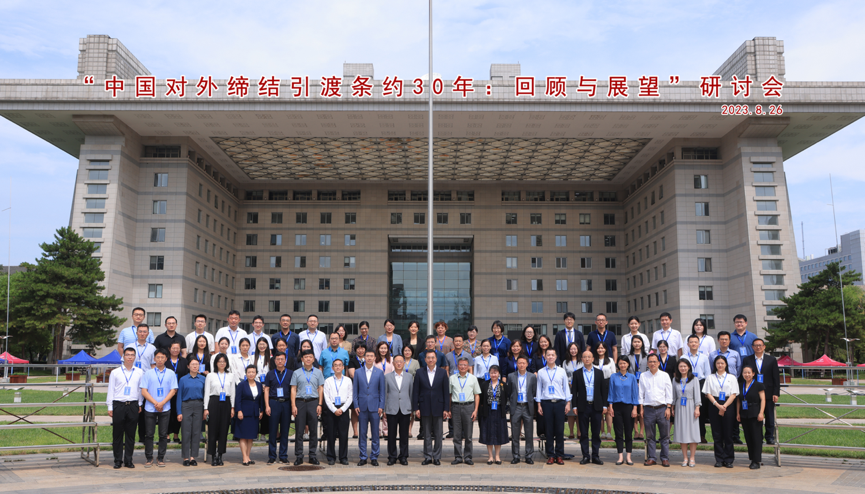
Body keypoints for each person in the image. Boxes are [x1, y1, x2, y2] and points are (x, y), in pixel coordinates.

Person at [107, 347, 145, 469]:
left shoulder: (139, 372)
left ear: (135, 357)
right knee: (117, 434)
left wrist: (140, 403)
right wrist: (110, 406)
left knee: (130, 434)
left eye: (132, 355)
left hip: (133, 405)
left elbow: (140, 389)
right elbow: (111, 390)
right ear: (123, 357)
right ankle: (118, 460)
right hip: (119, 404)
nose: (130, 357)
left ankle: (128, 460)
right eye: (127, 355)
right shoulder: (115, 372)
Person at [140, 350, 178, 468]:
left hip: (165, 408)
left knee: (163, 434)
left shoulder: (171, 373)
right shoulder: (148, 373)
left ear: (166, 359)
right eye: (158, 357)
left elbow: (173, 390)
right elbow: (144, 391)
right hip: (150, 408)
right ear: (154, 359)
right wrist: (156, 403)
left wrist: (162, 403)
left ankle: (160, 457)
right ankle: (149, 457)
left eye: (162, 357)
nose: (160, 359)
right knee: (149, 434)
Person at [413, 350, 450, 465]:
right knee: (427, 434)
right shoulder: (420, 372)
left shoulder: (442, 373)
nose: (430, 359)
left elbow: (446, 392)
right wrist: (416, 408)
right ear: (425, 359)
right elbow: (416, 391)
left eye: (433, 357)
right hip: (424, 406)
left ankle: (437, 456)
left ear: (436, 359)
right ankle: (428, 456)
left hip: (439, 406)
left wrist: (446, 409)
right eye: (428, 357)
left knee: (438, 434)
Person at [571, 349, 608, 465]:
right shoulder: (576, 373)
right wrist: (574, 406)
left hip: (596, 406)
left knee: (596, 432)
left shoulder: (599, 373)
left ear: (593, 359)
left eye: (589, 357)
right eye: (584, 357)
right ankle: (585, 456)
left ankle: (595, 456)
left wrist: (604, 405)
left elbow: (603, 390)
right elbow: (574, 391)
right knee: (584, 433)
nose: (587, 359)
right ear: (581, 359)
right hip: (583, 406)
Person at [702, 355, 739, 468]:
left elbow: (734, 394)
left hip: (728, 405)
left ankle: (728, 459)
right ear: (715, 364)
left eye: (722, 363)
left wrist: (724, 407)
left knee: (728, 434)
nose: (720, 365)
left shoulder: (732, 377)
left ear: (726, 364)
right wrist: (718, 406)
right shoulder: (710, 377)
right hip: (714, 404)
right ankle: (719, 459)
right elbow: (708, 393)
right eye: (718, 363)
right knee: (717, 434)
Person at [536, 348, 571, 465]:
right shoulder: (541, 372)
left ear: (556, 357)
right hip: (546, 403)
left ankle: (559, 455)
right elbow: (538, 389)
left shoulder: (561, 371)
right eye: (548, 355)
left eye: (552, 355)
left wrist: (568, 403)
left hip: (560, 402)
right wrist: (539, 404)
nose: (550, 357)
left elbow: (566, 387)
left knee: (560, 430)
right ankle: (550, 455)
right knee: (549, 430)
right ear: (545, 357)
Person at [742, 338, 780, 445]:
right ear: (752, 347)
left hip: (768, 392)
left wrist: (776, 393)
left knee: (769, 416)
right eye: (756, 345)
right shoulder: (747, 360)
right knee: (755, 416)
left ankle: (769, 436)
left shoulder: (771, 359)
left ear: (764, 347)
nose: (758, 347)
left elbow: (776, 377)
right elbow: (744, 376)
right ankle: (758, 437)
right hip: (753, 393)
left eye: (760, 345)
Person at [291, 349, 325, 465]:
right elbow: (293, 389)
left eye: (310, 357)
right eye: (306, 357)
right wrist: (293, 405)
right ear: (302, 359)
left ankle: (312, 455)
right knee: (299, 430)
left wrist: (320, 404)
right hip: (300, 402)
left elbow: (321, 388)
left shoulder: (318, 372)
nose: (308, 359)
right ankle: (299, 455)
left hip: (313, 402)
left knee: (313, 430)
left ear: (313, 359)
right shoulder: (296, 372)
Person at [639, 353, 673, 467]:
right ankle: (652, 457)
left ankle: (665, 458)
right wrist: (641, 408)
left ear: (658, 363)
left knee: (665, 435)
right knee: (650, 435)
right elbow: (641, 393)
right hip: (648, 409)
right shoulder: (643, 376)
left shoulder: (665, 375)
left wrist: (668, 408)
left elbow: (669, 393)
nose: (652, 363)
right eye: (650, 361)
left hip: (662, 408)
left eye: (654, 361)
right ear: (647, 363)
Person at [354, 346, 386, 466]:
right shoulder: (358, 372)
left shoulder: (379, 372)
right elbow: (355, 390)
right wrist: (356, 404)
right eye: (367, 356)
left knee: (375, 434)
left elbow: (382, 391)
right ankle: (363, 457)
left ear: (374, 358)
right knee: (362, 433)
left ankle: (374, 457)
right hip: (362, 407)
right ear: (364, 357)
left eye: (371, 356)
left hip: (375, 407)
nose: (369, 358)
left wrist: (381, 405)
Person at [204, 353, 235, 466]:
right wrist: (206, 408)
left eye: (224, 361)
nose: (222, 363)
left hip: (226, 402)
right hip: (214, 401)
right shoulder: (210, 375)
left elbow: (232, 392)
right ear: (216, 363)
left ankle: (220, 455)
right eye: (219, 361)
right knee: (212, 430)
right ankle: (213, 456)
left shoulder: (230, 375)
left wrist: (232, 407)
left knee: (223, 430)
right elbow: (207, 392)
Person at [608, 356, 639, 466]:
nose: (622, 365)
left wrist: (635, 408)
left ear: (628, 364)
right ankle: (620, 456)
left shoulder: (632, 377)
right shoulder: (613, 377)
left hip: (628, 407)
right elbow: (611, 392)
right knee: (618, 432)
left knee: (628, 432)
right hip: (616, 407)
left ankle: (629, 456)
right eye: (620, 363)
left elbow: (635, 394)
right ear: (618, 365)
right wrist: (610, 407)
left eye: (624, 363)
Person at [449, 356, 480, 465]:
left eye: (465, 365)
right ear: (457, 366)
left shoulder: (473, 378)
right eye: (461, 365)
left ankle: (468, 457)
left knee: (468, 435)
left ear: (468, 366)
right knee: (456, 435)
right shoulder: (452, 378)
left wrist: (475, 410)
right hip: (456, 407)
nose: (462, 367)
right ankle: (458, 457)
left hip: (468, 407)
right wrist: (449, 409)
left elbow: (477, 395)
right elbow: (450, 394)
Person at [264, 353, 294, 464]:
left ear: (285, 360)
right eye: (278, 359)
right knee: (272, 430)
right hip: (274, 402)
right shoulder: (270, 374)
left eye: (282, 359)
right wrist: (267, 405)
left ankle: (283, 455)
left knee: (285, 430)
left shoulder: (291, 373)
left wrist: (293, 405)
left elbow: (293, 390)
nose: (280, 361)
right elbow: (266, 390)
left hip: (286, 403)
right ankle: (272, 456)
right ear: (275, 361)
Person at [385, 354, 414, 465]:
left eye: (401, 361)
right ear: (393, 363)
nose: (398, 363)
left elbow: (411, 393)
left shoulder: (409, 377)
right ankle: (392, 456)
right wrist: (384, 408)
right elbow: (385, 393)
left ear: (404, 363)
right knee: (391, 434)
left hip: (405, 409)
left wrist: (411, 408)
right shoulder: (387, 377)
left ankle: (403, 456)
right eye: (396, 361)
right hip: (392, 408)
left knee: (404, 434)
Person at [128, 323, 156, 441]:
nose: (142, 333)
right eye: (140, 331)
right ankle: (130, 437)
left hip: (146, 383)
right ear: (137, 333)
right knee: (133, 410)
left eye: (145, 332)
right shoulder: (130, 347)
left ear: (148, 334)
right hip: (133, 382)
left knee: (145, 410)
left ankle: (143, 437)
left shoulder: (152, 348)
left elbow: (153, 365)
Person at [176, 357, 205, 466]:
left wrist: (205, 409)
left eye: (197, 364)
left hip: (199, 405)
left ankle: (193, 457)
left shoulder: (203, 379)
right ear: (188, 366)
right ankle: (185, 457)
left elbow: (205, 395)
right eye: (192, 364)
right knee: (186, 431)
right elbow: (179, 396)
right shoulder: (183, 379)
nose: (195, 366)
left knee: (196, 432)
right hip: (186, 405)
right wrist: (179, 412)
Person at [672, 359, 701, 467]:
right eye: (681, 366)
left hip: (691, 406)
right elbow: (673, 395)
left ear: (688, 367)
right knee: (682, 432)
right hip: (679, 407)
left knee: (692, 432)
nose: (683, 368)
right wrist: (672, 408)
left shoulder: (694, 379)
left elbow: (697, 395)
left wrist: (697, 408)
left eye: (685, 366)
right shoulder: (675, 379)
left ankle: (692, 457)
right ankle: (685, 458)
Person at [323, 358, 353, 465]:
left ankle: (343, 457)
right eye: (335, 365)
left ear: (343, 367)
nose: (338, 367)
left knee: (343, 434)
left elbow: (350, 396)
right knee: (331, 434)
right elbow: (326, 397)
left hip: (344, 408)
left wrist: (342, 409)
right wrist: (334, 409)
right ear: (332, 368)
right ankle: (331, 457)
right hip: (331, 409)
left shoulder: (348, 380)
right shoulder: (328, 381)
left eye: (340, 365)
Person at [507, 355, 536, 464]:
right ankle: (516, 456)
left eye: (524, 363)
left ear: (527, 364)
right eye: (519, 363)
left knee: (529, 433)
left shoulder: (532, 376)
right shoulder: (511, 376)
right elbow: (509, 392)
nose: (521, 365)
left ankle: (529, 456)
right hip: (516, 406)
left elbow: (534, 391)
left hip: (528, 406)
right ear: (516, 364)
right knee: (515, 433)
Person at [683, 334, 711, 442]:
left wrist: (707, 390)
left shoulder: (704, 357)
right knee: (688, 409)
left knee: (701, 410)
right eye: (691, 342)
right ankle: (688, 435)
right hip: (687, 383)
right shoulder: (684, 357)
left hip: (701, 383)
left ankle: (701, 435)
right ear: (688, 344)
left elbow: (708, 374)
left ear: (699, 344)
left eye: (695, 342)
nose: (693, 344)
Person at [234, 364, 264, 466]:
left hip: (254, 414)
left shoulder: (259, 385)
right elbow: (237, 399)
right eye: (249, 372)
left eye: (253, 372)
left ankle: (248, 456)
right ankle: (244, 457)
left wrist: (261, 411)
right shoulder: (241, 385)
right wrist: (239, 411)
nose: (251, 374)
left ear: (256, 373)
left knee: (251, 436)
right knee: (243, 436)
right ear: (246, 373)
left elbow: (260, 399)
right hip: (244, 413)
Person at [738, 365, 766, 469]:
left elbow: (763, 399)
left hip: (755, 413)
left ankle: (757, 460)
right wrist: (738, 413)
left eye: (749, 372)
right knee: (748, 437)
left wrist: (761, 413)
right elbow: (738, 400)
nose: (747, 374)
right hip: (744, 414)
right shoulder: (740, 385)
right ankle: (751, 458)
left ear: (753, 374)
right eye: (745, 372)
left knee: (756, 437)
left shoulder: (759, 385)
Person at [478, 364, 507, 464]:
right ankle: (490, 456)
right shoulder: (484, 384)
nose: (493, 375)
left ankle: (497, 456)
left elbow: (506, 398)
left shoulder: (503, 385)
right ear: (489, 374)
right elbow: (481, 399)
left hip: (499, 411)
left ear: (499, 374)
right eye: (491, 373)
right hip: (488, 411)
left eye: (495, 373)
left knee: (499, 433)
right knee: (489, 433)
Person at [166, 342, 189, 444]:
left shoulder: (184, 361)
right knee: (167, 413)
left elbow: (186, 375)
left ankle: (176, 434)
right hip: (167, 392)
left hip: (180, 391)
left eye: (177, 348)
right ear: (169, 349)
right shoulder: (166, 361)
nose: (175, 350)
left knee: (178, 412)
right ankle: (167, 434)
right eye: (173, 348)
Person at [627, 336, 647, 440]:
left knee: (642, 410)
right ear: (632, 343)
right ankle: (635, 431)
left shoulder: (646, 356)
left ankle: (642, 432)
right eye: (635, 342)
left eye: (638, 342)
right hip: (631, 385)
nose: (637, 344)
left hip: (644, 386)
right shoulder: (628, 356)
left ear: (642, 343)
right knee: (633, 409)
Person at [562, 342, 581, 439]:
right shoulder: (565, 362)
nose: (573, 351)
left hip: (580, 388)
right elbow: (563, 374)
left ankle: (579, 432)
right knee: (570, 412)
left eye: (575, 349)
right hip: (569, 388)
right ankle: (571, 432)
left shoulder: (581, 361)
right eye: (571, 349)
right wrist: (568, 382)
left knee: (578, 411)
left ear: (578, 350)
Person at [348, 344, 367, 439]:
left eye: (362, 348)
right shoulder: (352, 361)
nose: (360, 350)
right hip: (355, 386)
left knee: (365, 409)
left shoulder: (368, 360)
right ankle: (355, 431)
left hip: (367, 388)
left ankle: (364, 431)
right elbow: (352, 374)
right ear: (355, 350)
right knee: (354, 409)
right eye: (358, 349)